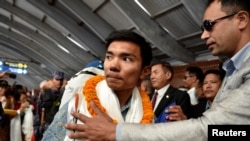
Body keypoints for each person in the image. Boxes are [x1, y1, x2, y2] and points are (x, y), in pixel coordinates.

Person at [64, 0, 250, 140]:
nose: (203, 35)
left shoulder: (147, 111)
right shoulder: (79, 99)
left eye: (209, 25)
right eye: (109, 57)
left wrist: (116, 132)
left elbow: (216, 130)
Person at [41, 29, 154, 141]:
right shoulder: (77, 106)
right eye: (109, 57)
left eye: (126, 59)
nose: (113, 66)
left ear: (145, 71)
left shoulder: (148, 117)